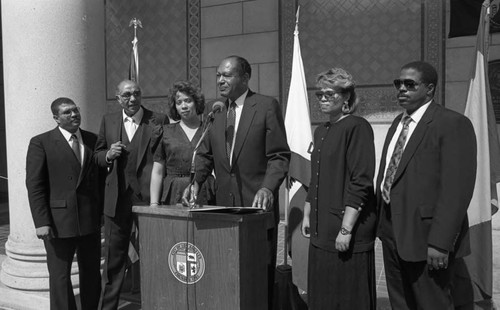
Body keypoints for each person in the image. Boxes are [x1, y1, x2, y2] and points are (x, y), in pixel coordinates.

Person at [183, 55, 290, 307]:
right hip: (223, 208)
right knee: (226, 271)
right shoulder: (216, 110)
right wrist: (196, 181)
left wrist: (268, 186)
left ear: (245, 77)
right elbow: (206, 154)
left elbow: (279, 155)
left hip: (256, 207)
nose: (220, 80)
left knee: (257, 274)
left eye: (227, 75)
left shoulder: (265, 106)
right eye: (218, 75)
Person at [376, 61, 477, 309]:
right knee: (401, 301)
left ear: (429, 89)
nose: (401, 89)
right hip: (392, 232)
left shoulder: (452, 124)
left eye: (410, 84)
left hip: (426, 238)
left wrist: (440, 242)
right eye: (398, 83)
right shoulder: (397, 125)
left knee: (432, 303)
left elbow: (456, 190)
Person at [300, 68, 377, 309]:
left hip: (347, 228)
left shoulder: (357, 126)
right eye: (319, 94)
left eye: (329, 93)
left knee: (347, 296)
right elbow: (317, 177)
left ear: (346, 97)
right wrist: (307, 212)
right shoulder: (321, 130)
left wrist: (346, 229)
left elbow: (361, 180)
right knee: (323, 294)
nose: (322, 98)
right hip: (321, 227)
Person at [95, 79, 168, 310]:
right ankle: (108, 307)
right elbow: (97, 154)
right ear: (118, 98)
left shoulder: (158, 119)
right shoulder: (108, 120)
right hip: (116, 201)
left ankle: (157, 303)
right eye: (126, 95)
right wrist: (108, 154)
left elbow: (165, 155)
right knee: (114, 260)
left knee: (155, 255)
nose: (133, 99)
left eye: (136, 93)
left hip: (149, 200)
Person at [26, 97, 102, 310]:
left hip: (89, 220)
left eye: (75, 110)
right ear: (56, 118)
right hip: (58, 223)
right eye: (67, 112)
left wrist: (101, 214)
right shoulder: (41, 142)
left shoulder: (93, 140)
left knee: (91, 273)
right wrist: (41, 221)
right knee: (59, 277)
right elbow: (35, 185)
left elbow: (100, 181)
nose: (74, 114)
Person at [150, 81, 215, 206]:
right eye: (179, 102)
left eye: (188, 101)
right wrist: (154, 204)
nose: (183, 106)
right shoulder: (165, 132)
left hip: (203, 191)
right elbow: (157, 171)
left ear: (197, 103)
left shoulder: (208, 130)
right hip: (173, 192)